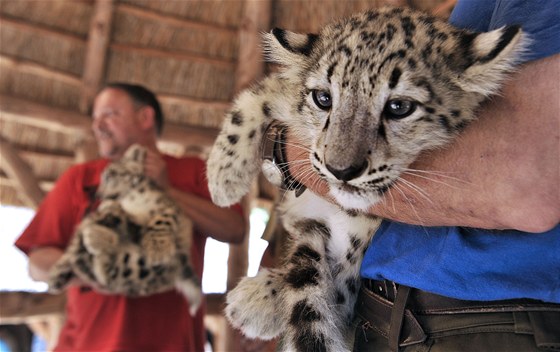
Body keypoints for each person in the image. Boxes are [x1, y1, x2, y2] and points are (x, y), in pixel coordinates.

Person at [282, 1, 559, 351]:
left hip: (483, 323)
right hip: (385, 315)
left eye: (398, 106)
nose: (340, 161)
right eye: (324, 98)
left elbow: (527, 186)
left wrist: (281, 148)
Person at [15, 83, 246, 351]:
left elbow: (235, 229)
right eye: (95, 118)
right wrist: (104, 273)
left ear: (145, 118)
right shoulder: (80, 178)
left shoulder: (192, 171)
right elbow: (37, 265)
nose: (97, 125)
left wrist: (166, 190)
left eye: (109, 114)